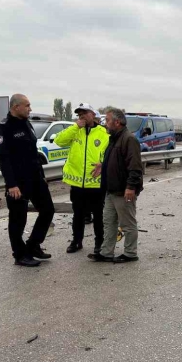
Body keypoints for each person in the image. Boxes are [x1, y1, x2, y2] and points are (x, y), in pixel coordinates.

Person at [0, 94, 55, 267]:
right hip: (18, 183)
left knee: (48, 210)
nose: (30, 109)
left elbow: (33, 153)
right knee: (18, 219)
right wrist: (11, 184)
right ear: (16, 107)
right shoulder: (3, 129)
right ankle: (20, 255)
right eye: (27, 105)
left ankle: (33, 245)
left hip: (35, 179)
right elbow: (3, 159)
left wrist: (42, 176)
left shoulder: (27, 123)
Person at [54, 103, 109, 256]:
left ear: (93, 114)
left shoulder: (103, 133)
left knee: (98, 215)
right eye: (79, 114)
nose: (82, 116)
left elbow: (110, 153)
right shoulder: (75, 131)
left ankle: (99, 243)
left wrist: (103, 164)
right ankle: (77, 241)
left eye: (85, 113)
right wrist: (75, 127)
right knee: (78, 214)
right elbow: (59, 141)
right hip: (77, 183)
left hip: (96, 183)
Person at [91, 107, 144, 263]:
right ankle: (106, 252)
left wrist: (131, 187)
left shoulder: (129, 139)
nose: (105, 124)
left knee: (127, 224)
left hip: (123, 190)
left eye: (107, 120)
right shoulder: (114, 138)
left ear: (117, 122)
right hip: (111, 190)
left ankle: (130, 253)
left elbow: (135, 167)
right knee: (108, 223)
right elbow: (116, 160)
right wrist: (103, 166)